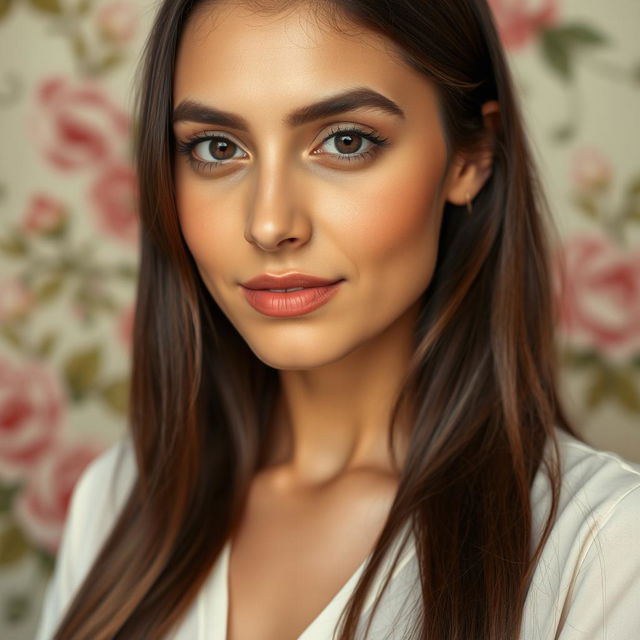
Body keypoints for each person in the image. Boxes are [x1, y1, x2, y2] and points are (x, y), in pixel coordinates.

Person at [35, 1, 640, 639]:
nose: (268, 224)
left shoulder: (601, 550)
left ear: (470, 157)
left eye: (344, 141)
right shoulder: (118, 502)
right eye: (218, 148)